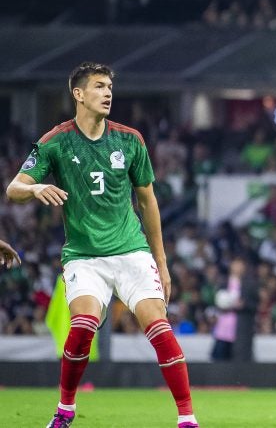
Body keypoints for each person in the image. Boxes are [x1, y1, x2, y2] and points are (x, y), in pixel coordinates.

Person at [6, 62, 197, 428]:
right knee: (83, 326)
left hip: (131, 251)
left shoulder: (129, 139)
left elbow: (148, 201)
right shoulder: (56, 141)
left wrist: (161, 260)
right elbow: (13, 189)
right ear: (78, 94)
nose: (107, 92)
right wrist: (34, 187)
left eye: (109, 86)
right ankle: (65, 410)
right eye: (98, 86)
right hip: (84, 256)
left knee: (158, 326)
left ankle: (187, 418)